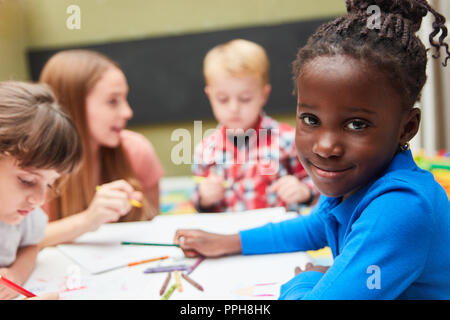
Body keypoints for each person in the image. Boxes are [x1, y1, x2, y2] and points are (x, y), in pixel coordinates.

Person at [174, 0, 450, 299]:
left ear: (407, 128)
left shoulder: (401, 206)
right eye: (310, 119)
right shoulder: (359, 181)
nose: (326, 146)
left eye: (357, 124)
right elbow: (314, 226)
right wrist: (229, 242)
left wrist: (307, 282)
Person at [39, 50, 164, 247]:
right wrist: (88, 220)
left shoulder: (137, 151)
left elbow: (153, 224)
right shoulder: (36, 169)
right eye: (112, 101)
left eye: (124, 99)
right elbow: (20, 242)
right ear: (71, 106)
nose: (127, 112)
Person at [193, 39, 317, 213]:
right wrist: (204, 198)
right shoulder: (205, 150)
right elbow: (196, 199)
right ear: (209, 96)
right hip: (228, 238)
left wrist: (304, 191)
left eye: (245, 99)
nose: (234, 108)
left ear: (263, 95)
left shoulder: (288, 140)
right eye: (223, 99)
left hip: (277, 235)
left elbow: (318, 185)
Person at [0, 81, 82, 299]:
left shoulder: (23, 213)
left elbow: (31, 246)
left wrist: (15, 276)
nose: (39, 199)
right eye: (27, 180)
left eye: (49, 184)